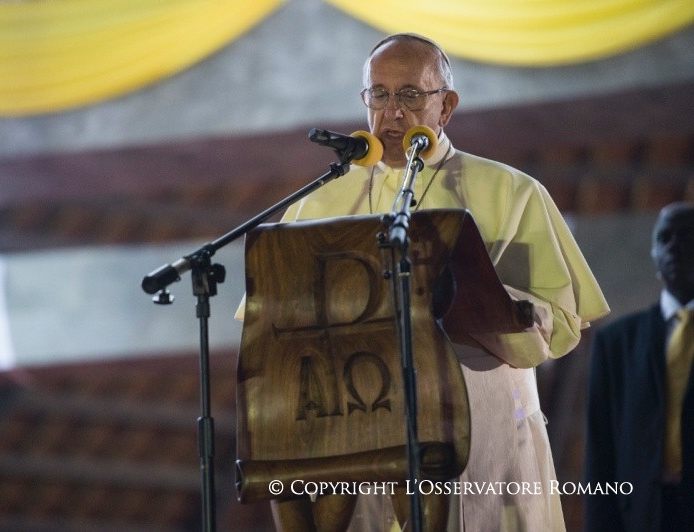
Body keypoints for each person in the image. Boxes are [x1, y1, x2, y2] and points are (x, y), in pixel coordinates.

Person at [254, 32, 610, 531]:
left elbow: (563, 319)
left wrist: (488, 301)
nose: (392, 112)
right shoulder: (315, 205)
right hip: (352, 428)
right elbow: (272, 324)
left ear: (447, 106)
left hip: (477, 418)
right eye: (379, 94)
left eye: (411, 95)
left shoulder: (510, 191)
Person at [585, 202, 694, 532]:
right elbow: (600, 452)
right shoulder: (616, 343)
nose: (673, 245)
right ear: (653, 254)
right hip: (642, 516)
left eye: (686, 235)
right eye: (664, 237)